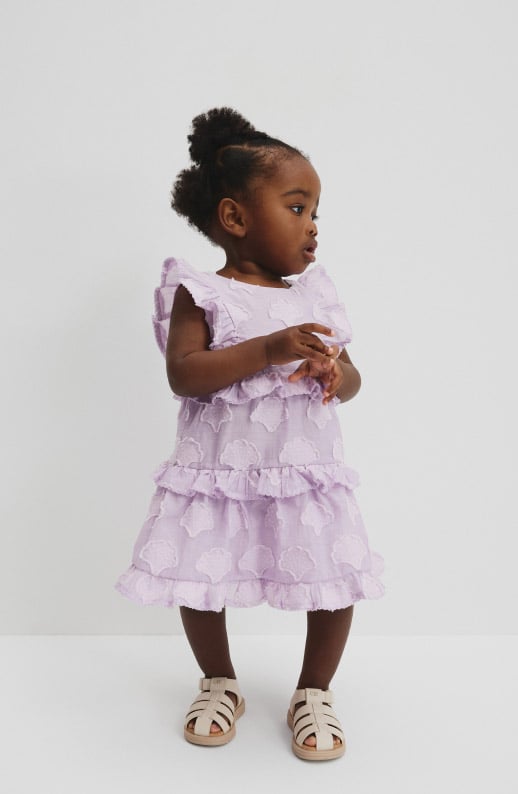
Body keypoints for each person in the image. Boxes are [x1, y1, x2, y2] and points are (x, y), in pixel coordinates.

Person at [116, 107, 384, 761]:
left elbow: (353, 380)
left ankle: (314, 690)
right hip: (218, 476)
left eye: (316, 212)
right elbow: (186, 374)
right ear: (235, 218)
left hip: (304, 477)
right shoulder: (202, 293)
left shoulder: (313, 298)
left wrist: (333, 371)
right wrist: (268, 349)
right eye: (297, 208)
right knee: (199, 575)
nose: (313, 226)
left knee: (332, 576)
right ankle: (219, 681)